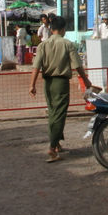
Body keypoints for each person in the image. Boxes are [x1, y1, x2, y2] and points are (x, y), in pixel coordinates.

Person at [28, 15, 92, 162]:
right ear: (63, 29)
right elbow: (77, 65)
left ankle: (56, 143)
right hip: (61, 82)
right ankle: (52, 147)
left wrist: (32, 85)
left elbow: (36, 66)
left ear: (51, 29)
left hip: (47, 83)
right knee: (59, 114)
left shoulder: (43, 45)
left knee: (52, 112)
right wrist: (86, 80)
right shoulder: (67, 44)